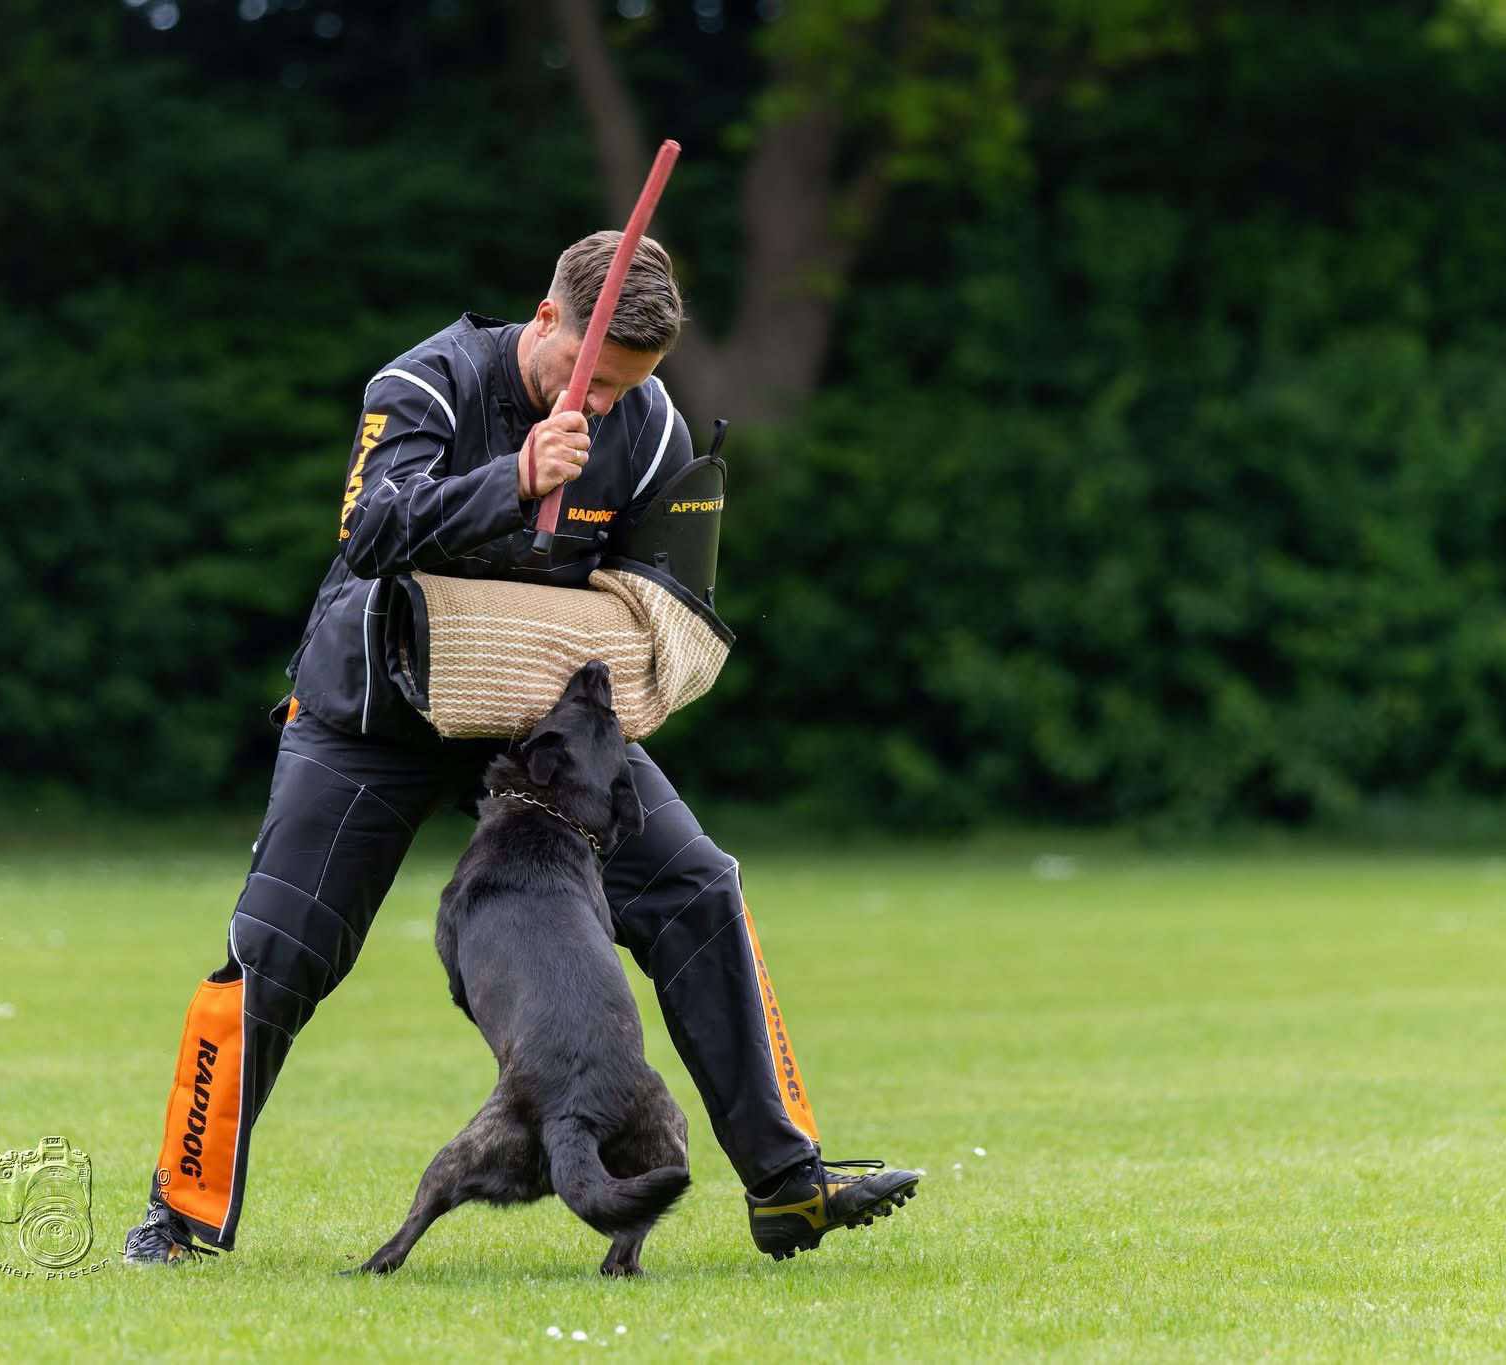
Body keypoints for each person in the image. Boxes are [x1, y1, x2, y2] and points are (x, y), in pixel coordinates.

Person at [125, 231, 921, 1268]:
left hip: (538, 728)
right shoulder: (426, 384)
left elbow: (659, 592)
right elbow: (368, 533)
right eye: (589, 382)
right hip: (376, 708)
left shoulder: (649, 421)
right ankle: (181, 1215)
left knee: (696, 885)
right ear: (545, 320)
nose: (599, 410)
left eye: (626, 390)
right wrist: (513, 479)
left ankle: (786, 1183)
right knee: (277, 947)